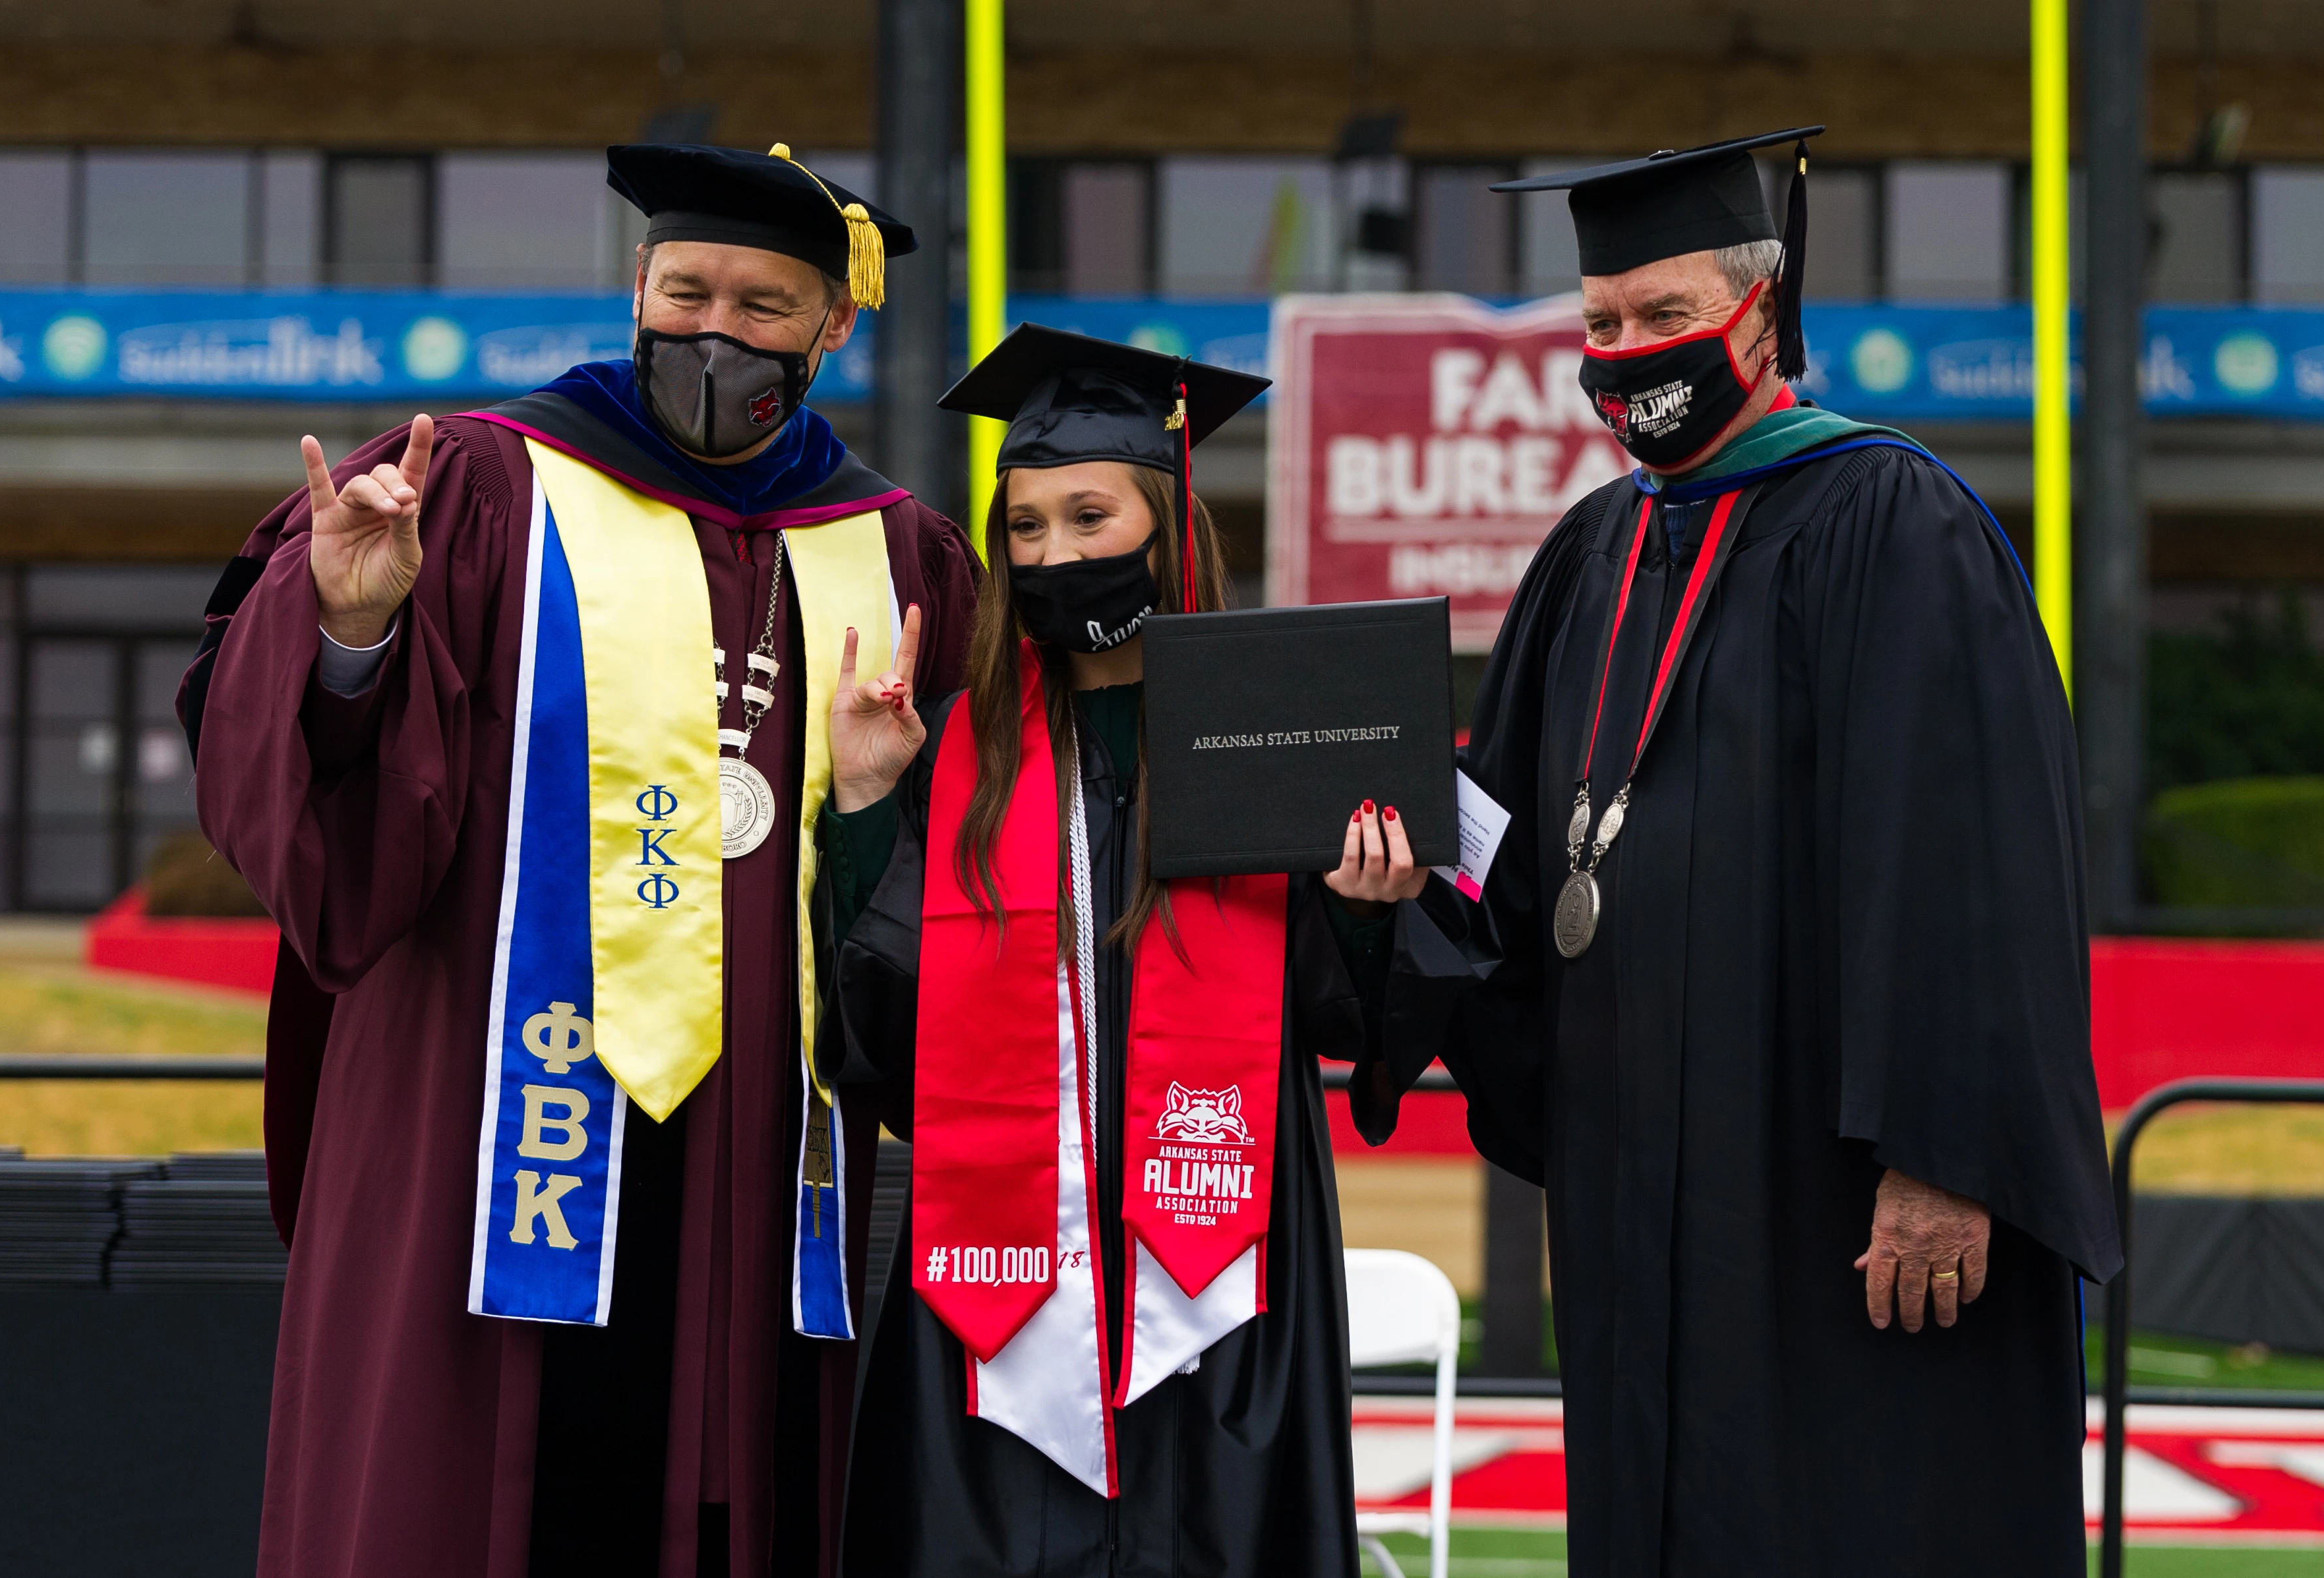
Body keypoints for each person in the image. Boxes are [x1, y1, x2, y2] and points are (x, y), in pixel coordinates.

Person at [181, 142, 978, 1577]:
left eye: (764, 306)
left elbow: (953, 863)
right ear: (637, 288)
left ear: (832, 328)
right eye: (687, 291)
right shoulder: (476, 483)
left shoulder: (898, 551)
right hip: (488, 1121)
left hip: (753, 1151)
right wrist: (350, 632)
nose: (715, 333)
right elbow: (323, 816)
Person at [1363, 129, 2122, 1575]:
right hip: (1635, 1177)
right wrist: (1383, 903)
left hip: (1832, 1196)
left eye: (1665, 316)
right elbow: (1503, 852)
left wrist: (1939, 1162)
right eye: (1600, 324)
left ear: (1761, 317)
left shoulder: (1892, 521)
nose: (1628, 350)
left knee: (1854, 1513)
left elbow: (1971, 867)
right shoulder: (1590, 551)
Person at [815, 324, 1428, 1575]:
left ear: (1168, 518)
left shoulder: (1274, 735)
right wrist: (873, 811)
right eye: (1025, 528)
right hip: (994, 1281)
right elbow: (876, 1044)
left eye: (1089, 517)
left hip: (1219, 1279)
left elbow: (1351, 1015)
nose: (1055, 556)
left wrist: (1369, 910)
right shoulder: (958, 754)